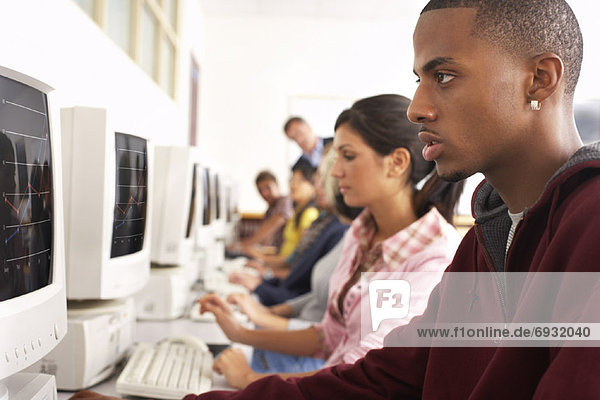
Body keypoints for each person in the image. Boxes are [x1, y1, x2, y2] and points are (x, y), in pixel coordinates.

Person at [68, 0, 600, 399]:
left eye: (443, 76)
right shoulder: (489, 237)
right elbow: (387, 378)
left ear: (540, 79)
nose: (417, 107)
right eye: (418, 80)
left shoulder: (589, 225)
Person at [197, 94, 463, 389]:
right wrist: (240, 333)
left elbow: (363, 371)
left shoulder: (433, 256)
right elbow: (332, 336)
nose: (335, 172)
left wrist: (250, 380)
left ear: (397, 163)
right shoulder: (362, 232)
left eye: (347, 156)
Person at [227, 148, 357, 306]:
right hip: (287, 296)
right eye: (291, 181)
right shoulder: (321, 220)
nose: (319, 187)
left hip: (288, 298)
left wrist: (263, 270)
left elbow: (300, 276)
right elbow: (297, 266)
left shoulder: (327, 223)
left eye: (325, 180)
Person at [239, 159, 320, 271]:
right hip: (280, 262)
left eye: (299, 181)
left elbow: (300, 258)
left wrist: (261, 258)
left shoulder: (303, 211)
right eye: (292, 180)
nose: (293, 185)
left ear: (313, 185)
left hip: (287, 270)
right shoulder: (296, 212)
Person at [226, 170, 292, 256]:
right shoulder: (269, 210)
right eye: (260, 190)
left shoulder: (284, 201)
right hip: (276, 254)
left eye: (268, 187)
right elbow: (265, 240)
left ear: (277, 185)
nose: (264, 193)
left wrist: (245, 244)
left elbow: (277, 220)